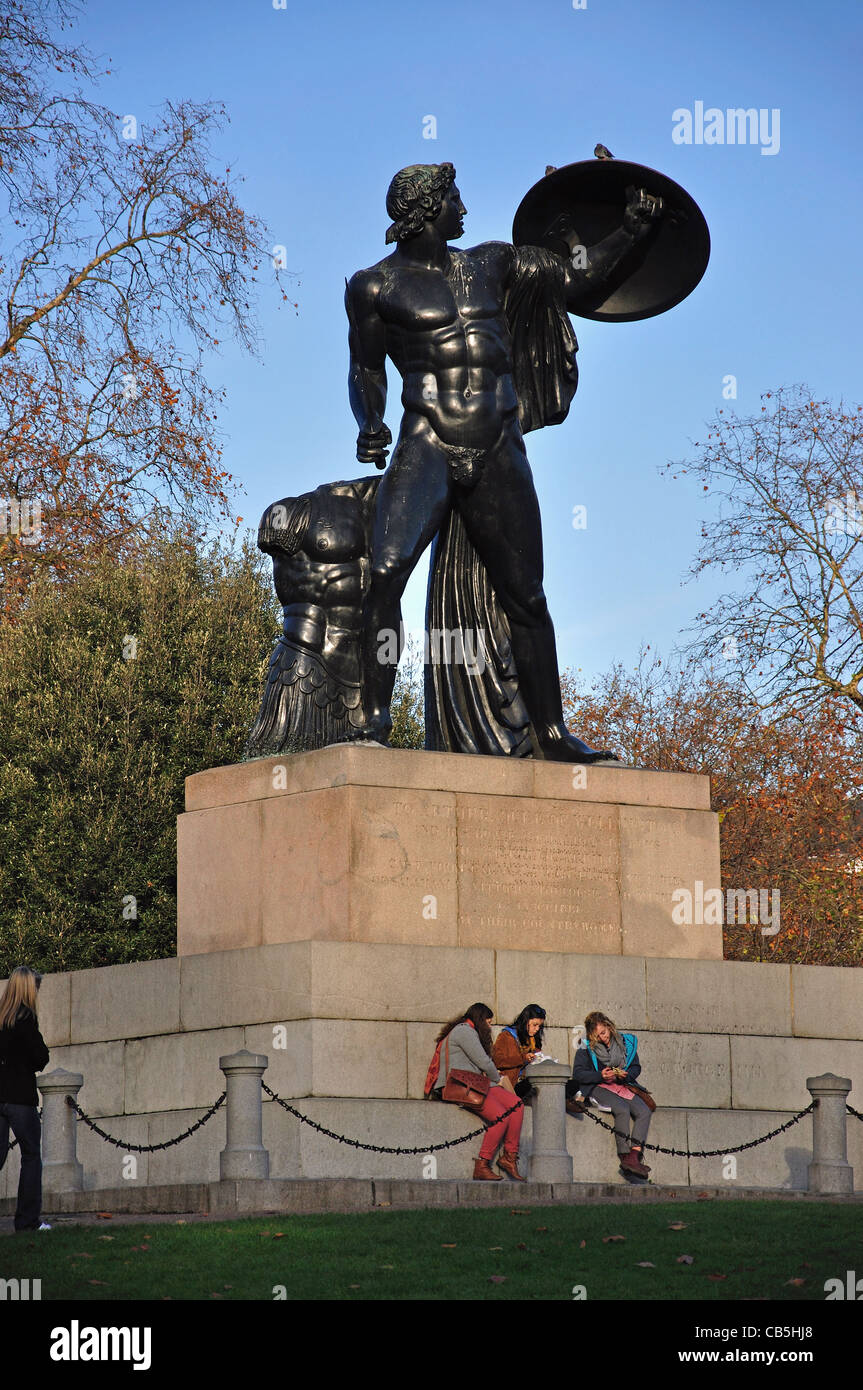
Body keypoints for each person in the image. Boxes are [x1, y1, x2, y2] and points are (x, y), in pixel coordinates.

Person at [345, 161, 661, 760]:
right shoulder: (374, 286)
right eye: (455, 197)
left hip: (498, 443)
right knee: (385, 574)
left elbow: (575, 280)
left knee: (527, 594)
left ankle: (551, 733)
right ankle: (373, 720)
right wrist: (370, 421)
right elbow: (365, 366)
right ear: (429, 207)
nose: (464, 207)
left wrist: (632, 230)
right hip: (426, 440)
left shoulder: (493, 263)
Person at [425, 1002, 526, 1181]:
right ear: (479, 1019)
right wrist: (499, 1079)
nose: (490, 1026)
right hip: (461, 1086)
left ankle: (509, 1157)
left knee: (516, 1104)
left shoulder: (466, 1031)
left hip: (475, 1083)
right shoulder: (464, 1031)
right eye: (488, 1022)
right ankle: (482, 1164)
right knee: (501, 1117)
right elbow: (484, 1063)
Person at [569, 1010, 652, 1179]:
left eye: (603, 1032)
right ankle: (624, 1155)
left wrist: (626, 1075)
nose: (602, 1037)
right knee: (621, 1109)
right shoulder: (586, 1048)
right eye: (597, 1036)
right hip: (598, 1087)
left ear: (609, 1026)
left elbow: (636, 1066)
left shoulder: (625, 1042)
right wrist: (601, 1075)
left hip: (622, 1085)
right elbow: (578, 1074)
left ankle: (634, 1156)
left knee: (644, 1110)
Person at [0, 966, 51, 1231]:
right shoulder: (26, 1018)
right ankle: (27, 1221)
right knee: (31, 1155)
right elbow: (40, 1056)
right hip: (20, 1096)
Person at [492, 1003, 547, 1097]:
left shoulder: (533, 1039)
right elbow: (497, 1061)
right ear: (525, 1021)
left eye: (539, 1026)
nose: (537, 1029)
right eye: (534, 1025)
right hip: (511, 1084)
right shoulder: (507, 1036)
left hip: (528, 1078)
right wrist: (523, 1058)